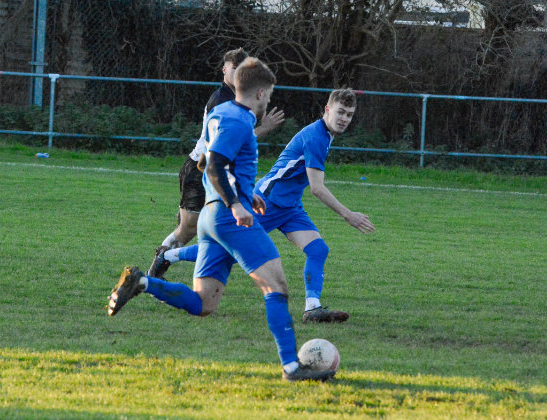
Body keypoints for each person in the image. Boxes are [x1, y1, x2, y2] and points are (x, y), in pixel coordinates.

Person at [107, 57, 334, 382]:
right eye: (269, 94)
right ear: (259, 93)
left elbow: (210, 162)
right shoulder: (238, 121)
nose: (268, 101)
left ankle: (141, 282)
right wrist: (236, 204)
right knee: (276, 287)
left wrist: (246, 193)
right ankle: (291, 368)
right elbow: (213, 166)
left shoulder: (223, 113)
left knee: (203, 304)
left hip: (212, 217)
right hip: (229, 217)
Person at [150, 89, 376, 324]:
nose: (344, 119)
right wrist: (348, 215)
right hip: (267, 202)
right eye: (340, 112)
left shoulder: (325, 135)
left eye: (349, 115)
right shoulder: (316, 137)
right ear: (327, 110)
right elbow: (317, 188)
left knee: (318, 249)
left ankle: (312, 308)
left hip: (290, 207)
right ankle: (168, 255)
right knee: (228, 252)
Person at [147, 48, 284, 277]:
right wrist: (265, 128)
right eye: (234, 69)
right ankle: (155, 271)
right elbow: (226, 146)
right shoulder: (221, 100)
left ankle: (200, 274)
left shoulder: (239, 100)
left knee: (212, 227)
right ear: (224, 70)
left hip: (215, 169)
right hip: (200, 168)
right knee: (189, 229)